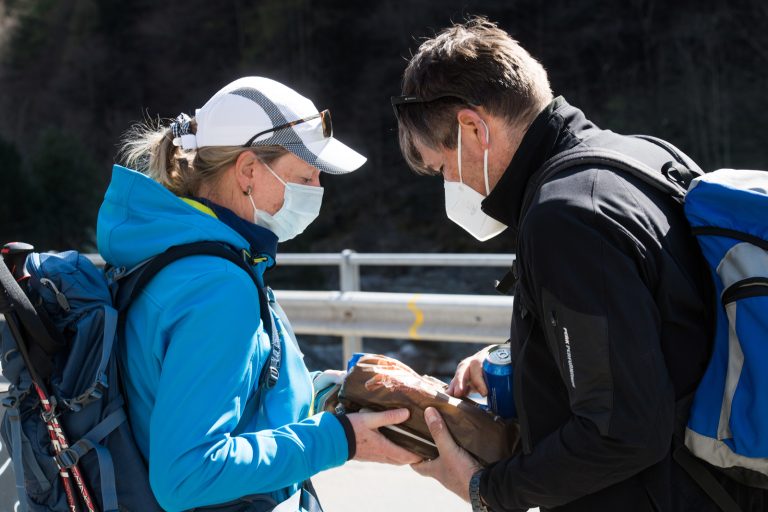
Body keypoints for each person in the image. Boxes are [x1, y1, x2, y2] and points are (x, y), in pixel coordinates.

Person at [391, 17, 766, 512]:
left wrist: (489, 489)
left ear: (472, 128)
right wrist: (521, 357)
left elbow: (622, 432)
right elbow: (657, 322)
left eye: (441, 168)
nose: (451, 185)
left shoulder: (565, 216)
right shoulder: (637, 157)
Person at [98, 76, 420, 511]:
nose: (317, 189)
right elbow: (189, 473)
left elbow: (233, 398)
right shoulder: (217, 286)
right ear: (248, 170)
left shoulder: (176, 253)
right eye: (305, 175)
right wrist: (341, 438)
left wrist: (325, 392)